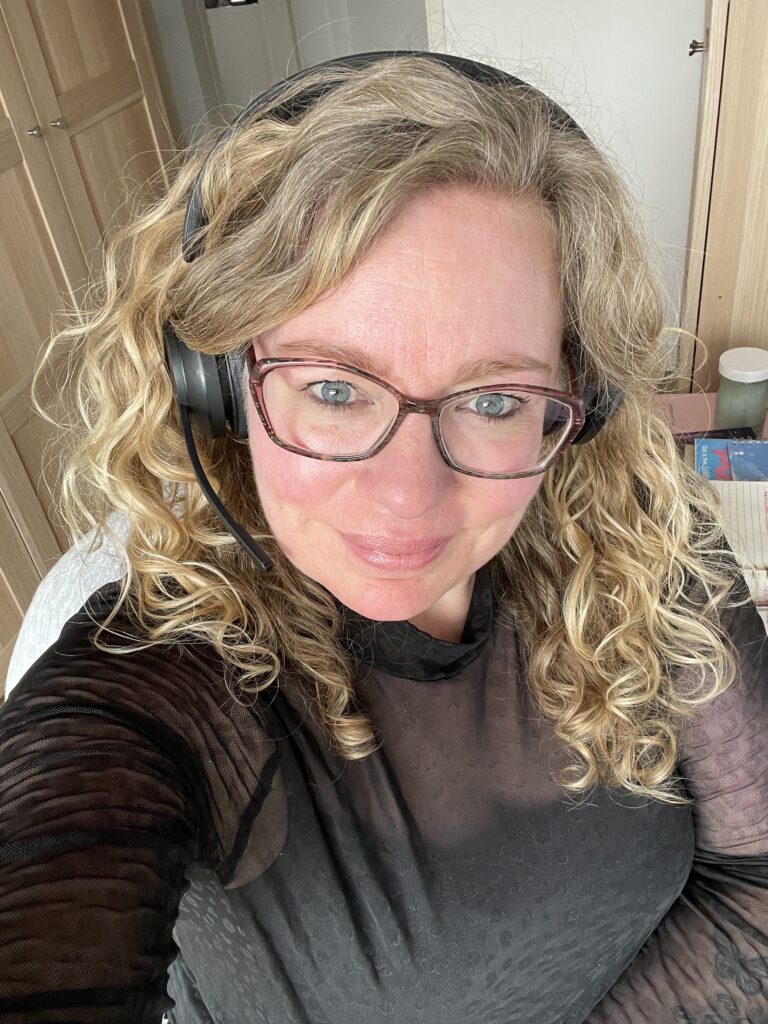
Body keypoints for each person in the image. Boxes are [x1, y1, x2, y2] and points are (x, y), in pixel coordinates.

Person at [0, 50, 766, 1024]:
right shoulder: (154, 679)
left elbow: (754, 880)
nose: (409, 496)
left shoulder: (645, 529)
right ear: (219, 383)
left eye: (494, 399)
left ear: (579, 397)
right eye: (333, 388)